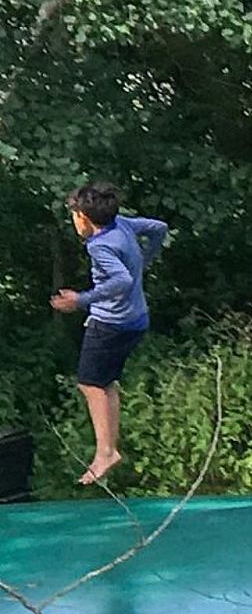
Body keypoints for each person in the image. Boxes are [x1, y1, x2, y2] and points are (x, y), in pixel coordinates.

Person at [49, 183, 168, 485]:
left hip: (110, 325)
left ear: (83, 217)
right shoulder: (122, 224)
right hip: (136, 321)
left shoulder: (99, 245)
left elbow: (121, 280)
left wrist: (80, 299)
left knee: (89, 385)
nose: (73, 221)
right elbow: (159, 228)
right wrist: (145, 259)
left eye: (74, 215)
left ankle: (105, 452)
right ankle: (109, 448)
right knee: (106, 383)